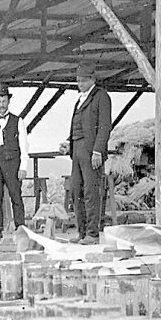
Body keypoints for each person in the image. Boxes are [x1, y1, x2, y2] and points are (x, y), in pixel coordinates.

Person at [67, 62, 112, 244]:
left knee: (91, 192)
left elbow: (104, 126)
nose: (80, 84)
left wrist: (98, 151)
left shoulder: (101, 97)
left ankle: (93, 234)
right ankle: (82, 231)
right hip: (77, 149)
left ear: (92, 79)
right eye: (78, 81)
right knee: (76, 189)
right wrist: (68, 141)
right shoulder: (80, 100)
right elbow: (78, 125)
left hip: (91, 150)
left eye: (83, 81)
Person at [0, 82, 30, 242]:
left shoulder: (18, 121)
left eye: (4, 101)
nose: (1, 105)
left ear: (8, 101)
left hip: (12, 161)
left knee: (16, 195)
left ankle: (20, 228)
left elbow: (24, 145)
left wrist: (23, 166)